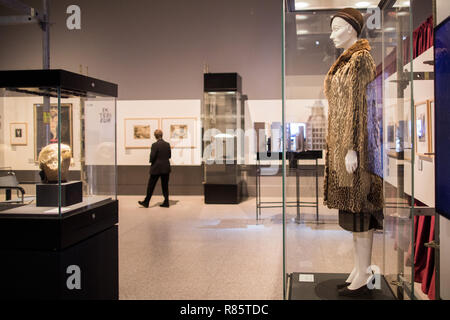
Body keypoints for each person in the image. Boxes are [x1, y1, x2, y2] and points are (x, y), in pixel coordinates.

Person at [324, 8, 384, 297]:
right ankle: (359, 267)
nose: (332, 33)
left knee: (362, 209)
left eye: (337, 28)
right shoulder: (345, 61)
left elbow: (361, 107)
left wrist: (351, 148)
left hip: (358, 149)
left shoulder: (360, 60)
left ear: (351, 28)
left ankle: (364, 270)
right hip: (347, 148)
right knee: (353, 211)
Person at [138, 129, 171, 208]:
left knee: (151, 186)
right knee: (165, 186)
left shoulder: (154, 145)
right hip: (166, 168)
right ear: (162, 135)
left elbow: (152, 156)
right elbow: (169, 156)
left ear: (155, 136)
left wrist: (151, 161)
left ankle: (146, 202)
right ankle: (166, 202)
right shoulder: (167, 144)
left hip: (156, 168)